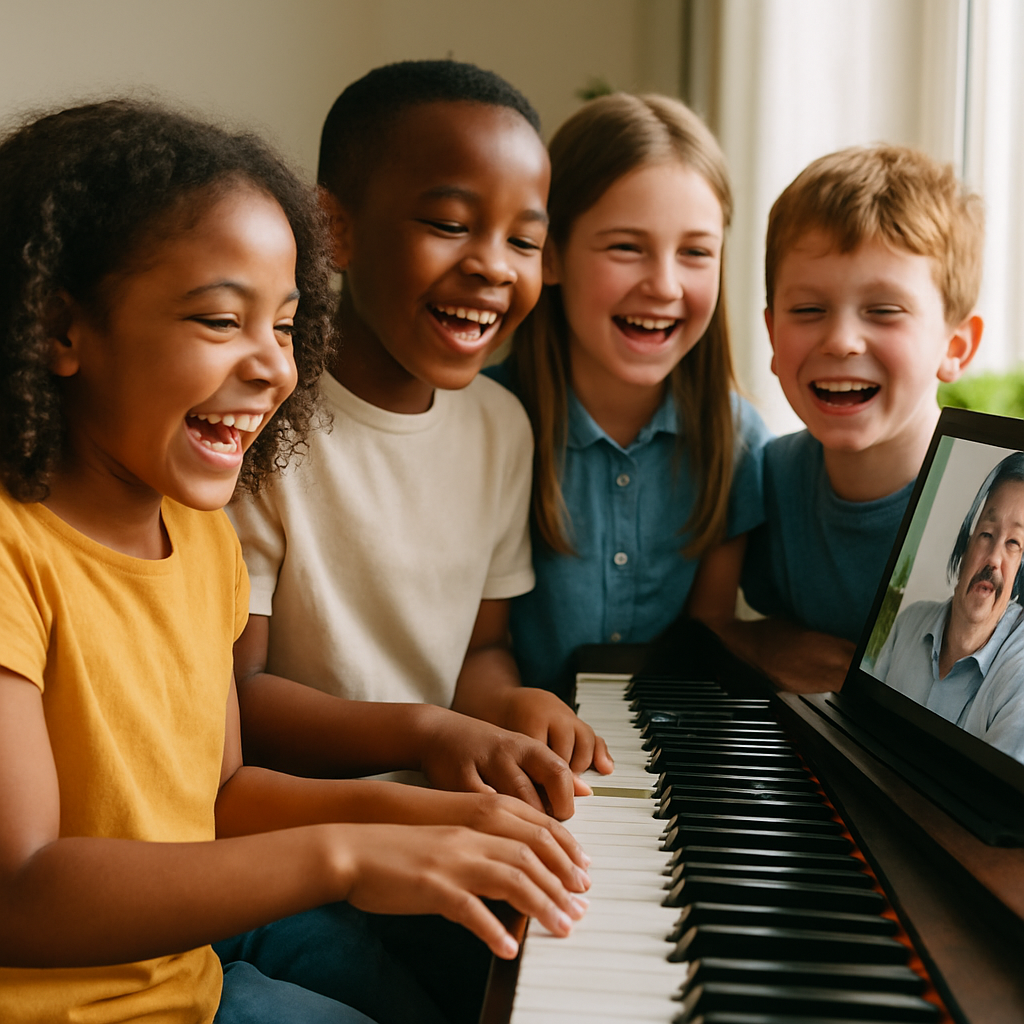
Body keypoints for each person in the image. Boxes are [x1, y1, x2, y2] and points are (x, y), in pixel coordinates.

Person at [0, 99, 589, 1024]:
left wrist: (452, 816)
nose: (276, 367)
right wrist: (346, 855)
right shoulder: (12, 557)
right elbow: (22, 891)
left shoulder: (200, 541)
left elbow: (224, 796)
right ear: (59, 328)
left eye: (284, 325)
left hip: (180, 977)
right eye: (219, 320)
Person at [228, 60, 613, 803]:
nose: (493, 267)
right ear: (333, 229)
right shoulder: (257, 420)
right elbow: (239, 694)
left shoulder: (502, 428)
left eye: (524, 242)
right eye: (449, 225)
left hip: (442, 816)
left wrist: (506, 705)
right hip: (303, 829)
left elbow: (483, 649)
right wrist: (430, 733)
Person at [484, 92, 770, 698]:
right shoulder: (482, 422)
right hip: (495, 744)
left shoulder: (737, 440)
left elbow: (706, 642)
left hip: (649, 752)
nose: (664, 284)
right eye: (626, 247)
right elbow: (473, 647)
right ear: (551, 255)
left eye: (696, 252)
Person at [692, 145, 984, 692]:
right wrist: (769, 643)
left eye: (883, 311)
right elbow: (709, 630)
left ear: (957, 346)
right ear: (773, 333)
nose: (841, 340)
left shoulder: (999, 504)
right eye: (808, 310)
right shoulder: (767, 477)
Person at [873, 453, 1024, 753]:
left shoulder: (1019, 676)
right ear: (964, 546)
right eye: (986, 534)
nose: (994, 558)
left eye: (1014, 543)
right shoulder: (908, 623)